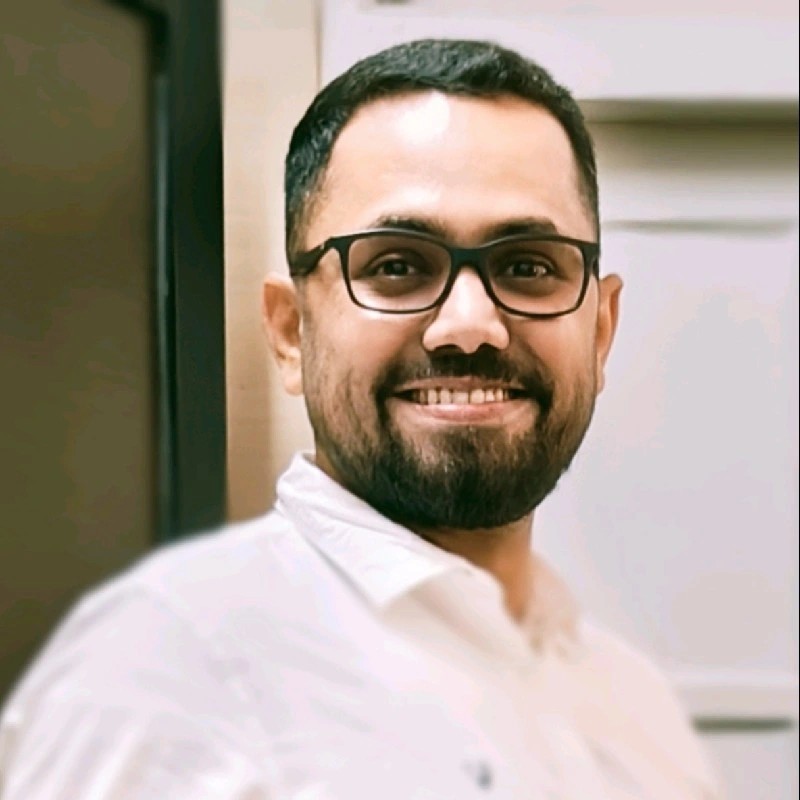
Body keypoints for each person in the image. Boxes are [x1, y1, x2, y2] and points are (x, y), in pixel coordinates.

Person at [0, 38, 720, 800]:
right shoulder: (163, 678)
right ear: (290, 332)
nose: (469, 325)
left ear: (600, 331)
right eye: (397, 265)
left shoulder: (631, 705)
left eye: (528, 266)